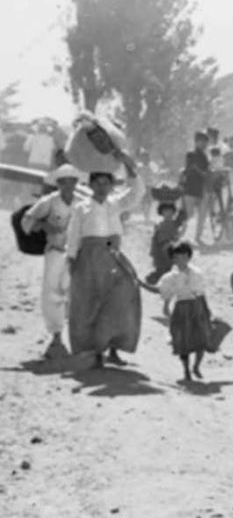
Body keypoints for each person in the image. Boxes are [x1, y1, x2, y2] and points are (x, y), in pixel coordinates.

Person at [65, 151, 146, 369]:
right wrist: (71, 260)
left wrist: (129, 166)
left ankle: (114, 348)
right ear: (91, 185)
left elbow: (137, 193)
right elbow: (73, 236)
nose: (102, 187)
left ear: (111, 185)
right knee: (91, 304)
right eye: (97, 183)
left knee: (121, 299)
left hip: (112, 256)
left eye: (106, 183)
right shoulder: (82, 208)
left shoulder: (115, 204)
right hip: (89, 260)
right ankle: (95, 351)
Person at [21, 164, 86, 359]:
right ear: (58, 183)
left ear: (76, 182)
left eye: (71, 181)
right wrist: (42, 225)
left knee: (75, 294)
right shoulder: (49, 202)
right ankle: (57, 336)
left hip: (77, 255)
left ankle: (81, 340)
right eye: (63, 181)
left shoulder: (83, 203)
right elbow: (26, 220)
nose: (68, 185)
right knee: (51, 293)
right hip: (56, 252)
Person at [140, 241, 211, 382]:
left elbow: (202, 293)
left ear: (189, 257)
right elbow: (160, 290)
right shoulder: (171, 277)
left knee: (201, 339)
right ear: (173, 259)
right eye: (177, 257)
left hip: (197, 307)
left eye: (184, 257)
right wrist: (142, 284)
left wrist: (207, 310)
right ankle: (186, 370)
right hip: (182, 309)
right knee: (182, 340)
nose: (181, 260)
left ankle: (196, 366)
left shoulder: (197, 273)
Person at [145, 198, 188, 288]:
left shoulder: (175, 223)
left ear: (173, 212)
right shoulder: (160, 225)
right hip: (161, 253)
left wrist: (183, 224)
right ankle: (155, 279)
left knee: (168, 270)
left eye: (170, 211)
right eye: (166, 211)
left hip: (170, 252)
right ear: (162, 212)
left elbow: (182, 229)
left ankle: (161, 281)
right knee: (162, 270)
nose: (168, 213)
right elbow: (158, 241)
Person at [181, 131, 211, 243]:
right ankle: (179, 234)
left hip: (201, 188)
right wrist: (203, 173)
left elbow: (207, 169)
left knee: (202, 215)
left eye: (206, 142)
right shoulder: (191, 154)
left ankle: (198, 237)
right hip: (190, 188)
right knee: (188, 214)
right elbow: (191, 168)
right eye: (202, 142)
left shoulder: (204, 156)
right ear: (196, 142)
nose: (205, 145)